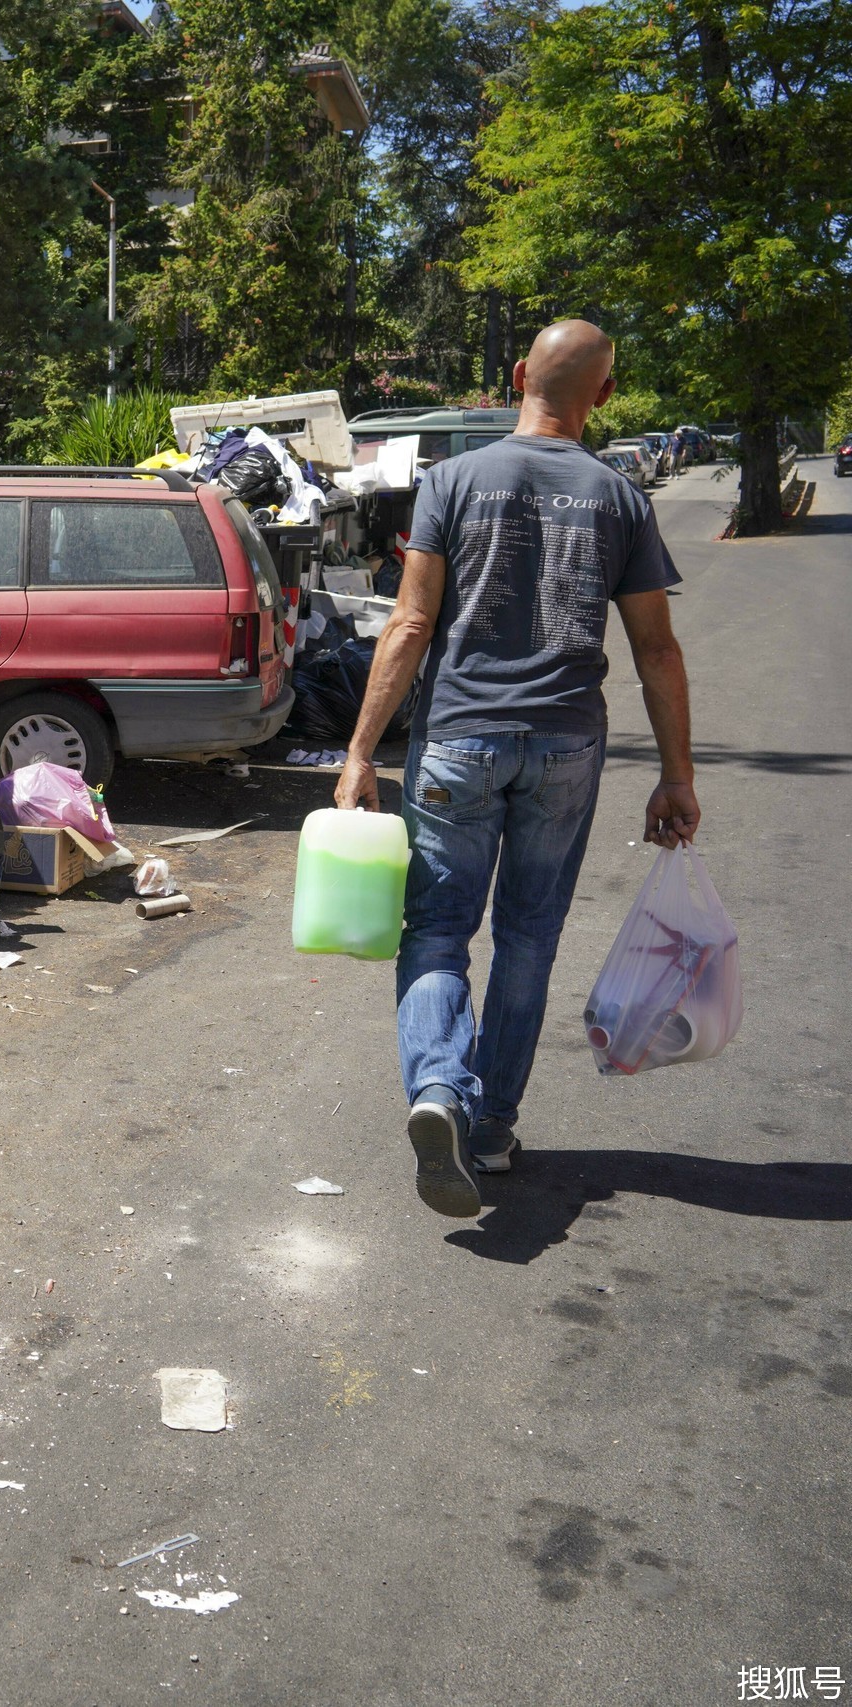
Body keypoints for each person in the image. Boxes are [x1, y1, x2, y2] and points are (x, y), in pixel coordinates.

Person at [336, 319, 698, 1218]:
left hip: (459, 738)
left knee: (436, 932)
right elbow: (657, 650)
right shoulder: (620, 497)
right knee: (528, 938)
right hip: (567, 745)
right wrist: (678, 776)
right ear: (604, 398)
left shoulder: (452, 481)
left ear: (513, 377)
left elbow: (411, 625)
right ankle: (491, 1129)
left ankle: (437, 1089)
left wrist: (357, 752)